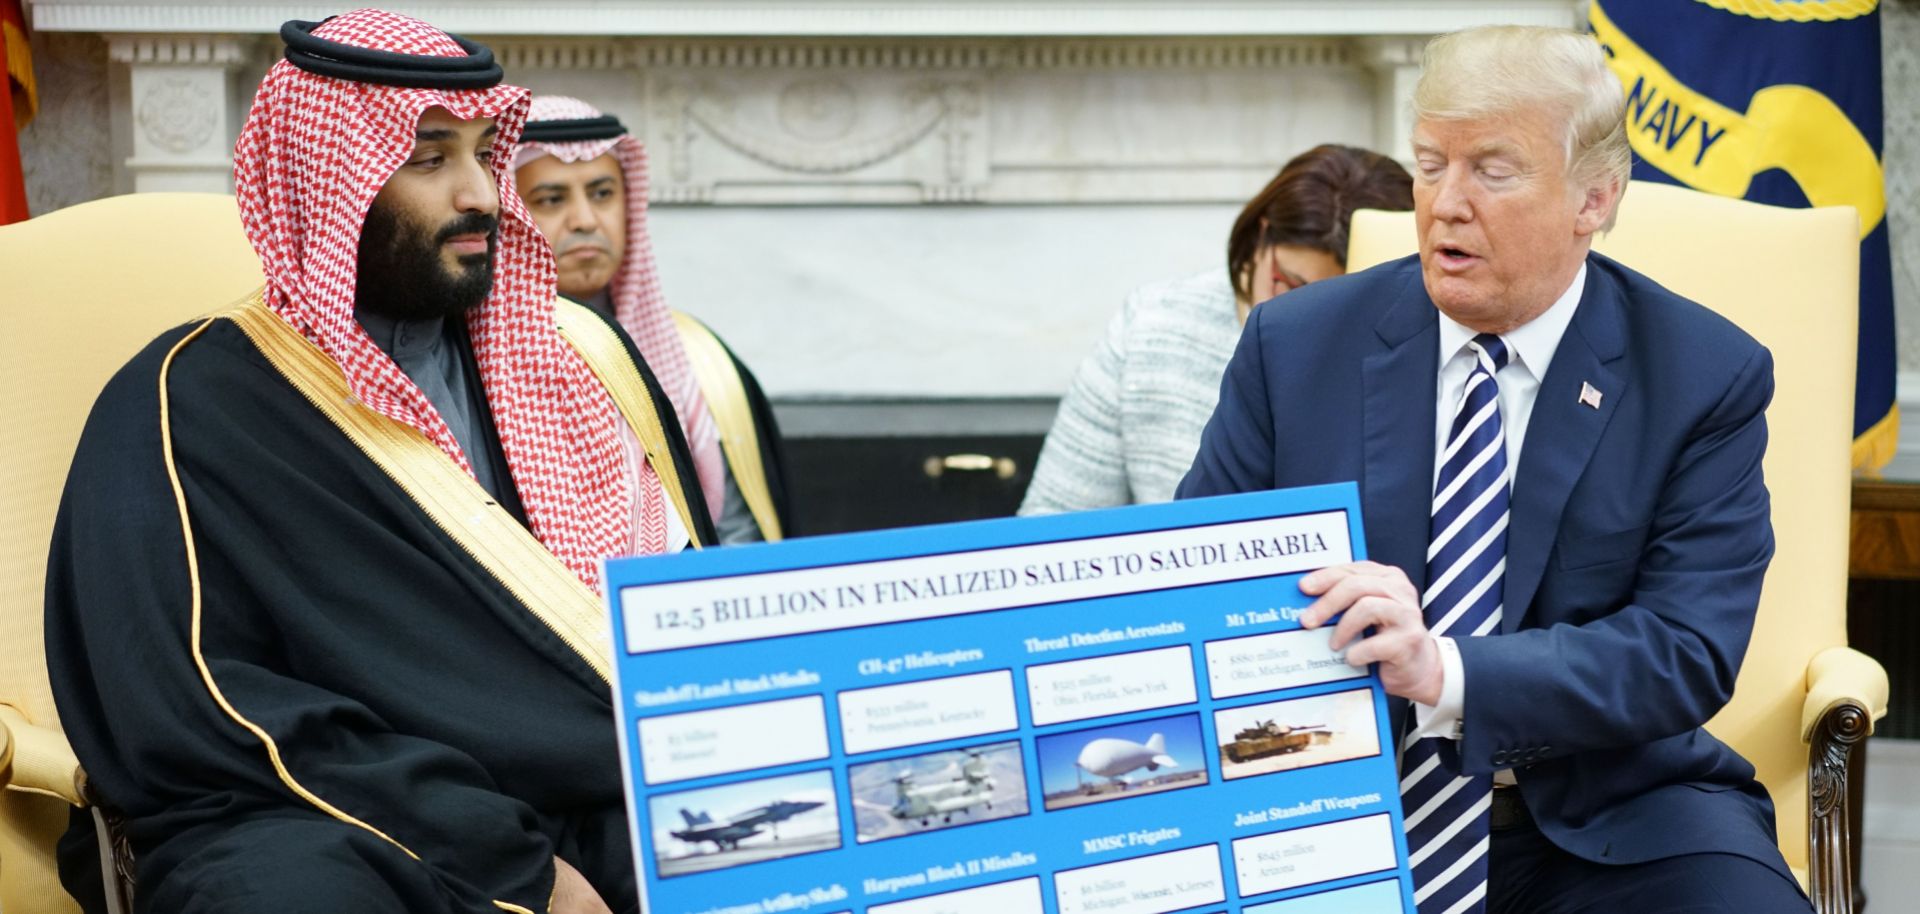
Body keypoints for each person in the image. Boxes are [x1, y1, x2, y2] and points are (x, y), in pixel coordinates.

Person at [45, 11, 716, 913]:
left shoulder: (562, 371)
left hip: (584, 790)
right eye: (431, 159)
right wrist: (515, 866)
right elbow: (200, 709)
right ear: (331, 183)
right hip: (332, 820)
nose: (482, 193)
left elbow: (686, 618)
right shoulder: (184, 402)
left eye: (486, 152)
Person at [1178, 26, 1809, 914]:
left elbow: (1684, 651)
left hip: (1611, 816)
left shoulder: (1701, 375)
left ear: (1596, 198)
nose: (1445, 203)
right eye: (1431, 163)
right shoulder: (1296, 346)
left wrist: (1446, 671)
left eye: (1493, 170)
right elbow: (1204, 589)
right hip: (1334, 797)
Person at [1020, 144, 1412, 515]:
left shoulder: (1419, 355)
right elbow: (1050, 524)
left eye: (1342, 304)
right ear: (1261, 236)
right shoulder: (1151, 327)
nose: (1309, 316)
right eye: (1291, 285)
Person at [512, 96, 791, 543]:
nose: (585, 220)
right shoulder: (472, 363)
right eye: (551, 199)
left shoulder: (697, 356)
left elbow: (736, 531)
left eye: (602, 194)